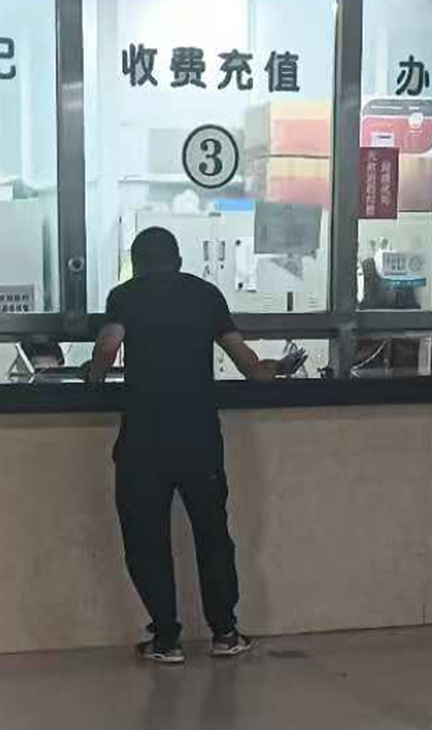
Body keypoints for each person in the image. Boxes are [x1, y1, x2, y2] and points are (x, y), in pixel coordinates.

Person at [85, 227, 274, 664]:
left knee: (146, 538)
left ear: (136, 264)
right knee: (212, 534)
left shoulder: (125, 296)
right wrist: (273, 370)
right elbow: (247, 363)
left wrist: (93, 378)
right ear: (179, 260)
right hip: (199, 436)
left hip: (144, 438)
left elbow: (108, 347)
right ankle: (225, 633)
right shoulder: (206, 295)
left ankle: (167, 639)